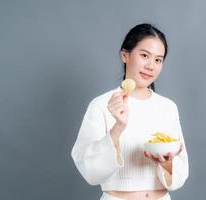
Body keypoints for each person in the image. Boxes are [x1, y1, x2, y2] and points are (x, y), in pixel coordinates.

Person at [71, 23, 189, 200]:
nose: (151, 66)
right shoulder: (102, 104)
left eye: (158, 60)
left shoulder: (168, 107)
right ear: (125, 55)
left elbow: (180, 172)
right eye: (144, 55)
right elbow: (89, 170)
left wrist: (168, 163)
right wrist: (117, 128)